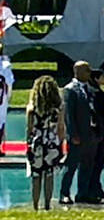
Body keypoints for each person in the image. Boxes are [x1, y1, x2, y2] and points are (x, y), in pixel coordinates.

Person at [63, 64, 104, 204]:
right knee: (71, 165)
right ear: (78, 71)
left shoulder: (90, 89)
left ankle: (83, 193)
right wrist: (73, 134)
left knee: (87, 165)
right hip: (78, 134)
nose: (89, 73)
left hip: (91, 134)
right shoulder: (70, 90)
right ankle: (64, 193)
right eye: (87, 70)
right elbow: (68, 114)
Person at [22, 59, 66, 207]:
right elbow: (61, 128)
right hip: (52, 142)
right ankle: (47, 204)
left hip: (37, 143)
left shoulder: (32, 109)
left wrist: (28, 144)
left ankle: (35, 205)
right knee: (49, 175)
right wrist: (61, 143)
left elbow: (29, 129)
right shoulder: (58, 108)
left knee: (36, 176)